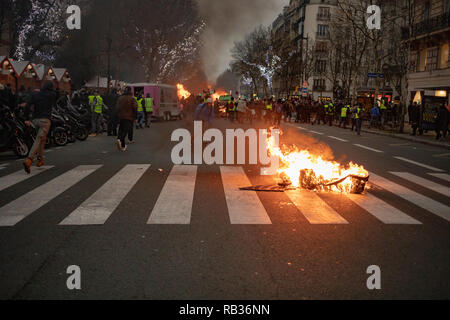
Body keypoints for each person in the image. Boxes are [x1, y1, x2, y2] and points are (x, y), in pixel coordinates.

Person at [22, 81, 57, 174]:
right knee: (39, 139)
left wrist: (26, 118)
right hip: (45, 120)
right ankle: (29, 160)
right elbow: (55, 97)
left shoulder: (35, 94)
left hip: (35, 120)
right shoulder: (51, 95)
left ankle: (40, 159)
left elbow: (27, 106)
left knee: (42, 139)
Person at [116, 87, 138, 152]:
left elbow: (117, 108)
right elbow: (135, 108)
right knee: (126, 130)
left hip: (121, 117)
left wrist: (118, 115)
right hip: (129, 117)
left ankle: (121, 143)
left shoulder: (120, 98)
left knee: (121, 129)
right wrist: (135, 117)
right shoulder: (132, 99)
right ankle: (120, 140)